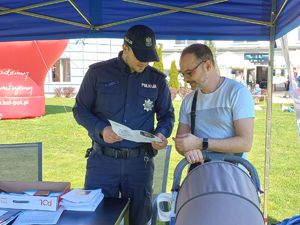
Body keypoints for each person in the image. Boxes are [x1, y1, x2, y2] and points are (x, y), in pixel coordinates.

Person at [73, 24, 174, 225]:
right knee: (97, 218)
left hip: (140, 163)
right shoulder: (98, 73)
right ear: (125, 48)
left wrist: (161, 134)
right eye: (140, 56)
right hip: (103, 162)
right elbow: (80, 109)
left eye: (148, 56)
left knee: (139, 219)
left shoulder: (157, 80)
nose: (145, 62)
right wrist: (101, 129)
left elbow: (167, 116)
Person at [173, 43, 254, 166]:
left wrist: (201, 143)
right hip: (200, 175)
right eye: (183, 74)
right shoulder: (189, 100)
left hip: (233, 175)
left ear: (208, 65)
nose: (185, 79)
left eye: (189, 73)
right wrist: (187, 150)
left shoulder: (237, 92)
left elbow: (245, 143)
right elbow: (180, 143)